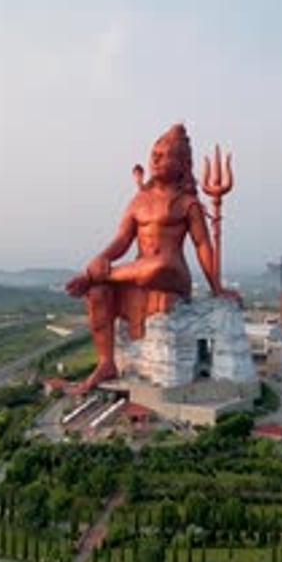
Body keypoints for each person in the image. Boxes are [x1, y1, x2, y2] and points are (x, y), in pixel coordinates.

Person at [66, 124, 238, 391]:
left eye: (164, 154)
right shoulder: (139, 200)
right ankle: (106, 362)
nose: (155, 159)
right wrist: (102, 256)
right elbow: (122, 240)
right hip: (136, 272)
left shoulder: (186, 202)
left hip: (170, 273)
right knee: (98, 292)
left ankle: (95, 275)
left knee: (158, 263)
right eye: (154, 153)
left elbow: (202, 244)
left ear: (182, 164)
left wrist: (216, 287)